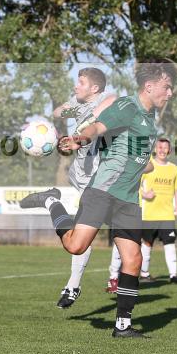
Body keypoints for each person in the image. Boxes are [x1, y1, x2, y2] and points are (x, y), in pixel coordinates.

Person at [20, 62, 172, 338]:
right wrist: (80, 138)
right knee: (76, 246)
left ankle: (122, 325)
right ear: (149, 87)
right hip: (103, 190)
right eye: (166, 87)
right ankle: (52, 202)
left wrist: (148, 167)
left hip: (128, 199)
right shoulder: (127, 106)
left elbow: (137, 156)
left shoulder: (149, 120)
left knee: (133, 259)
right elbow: (97, 126)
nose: (169, 93)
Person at [51, 67, 115, 309]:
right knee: (83, 234)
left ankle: (111, 277)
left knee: (124, 233)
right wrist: (74, 107)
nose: (76, 86)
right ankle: (74, 285)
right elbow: (58, 112)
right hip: (86, 178)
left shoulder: (108, 101)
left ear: (95, 88)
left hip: (108, 177)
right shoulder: (78, 103)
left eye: (81, 82)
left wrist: (85, 126)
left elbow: (109, 110)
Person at [137, 138, 177, 283]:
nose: (162, 150)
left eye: (165, 148)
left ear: (169, 150)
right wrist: (144, 194)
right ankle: (144, 274)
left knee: (169, 243)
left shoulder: (174, 168)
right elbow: (133, 183)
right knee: (147, 244)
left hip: (167, 215)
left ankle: (173, 275)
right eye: (160, 147)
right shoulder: (147, 165)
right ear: (155, 149)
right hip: (148, 214)